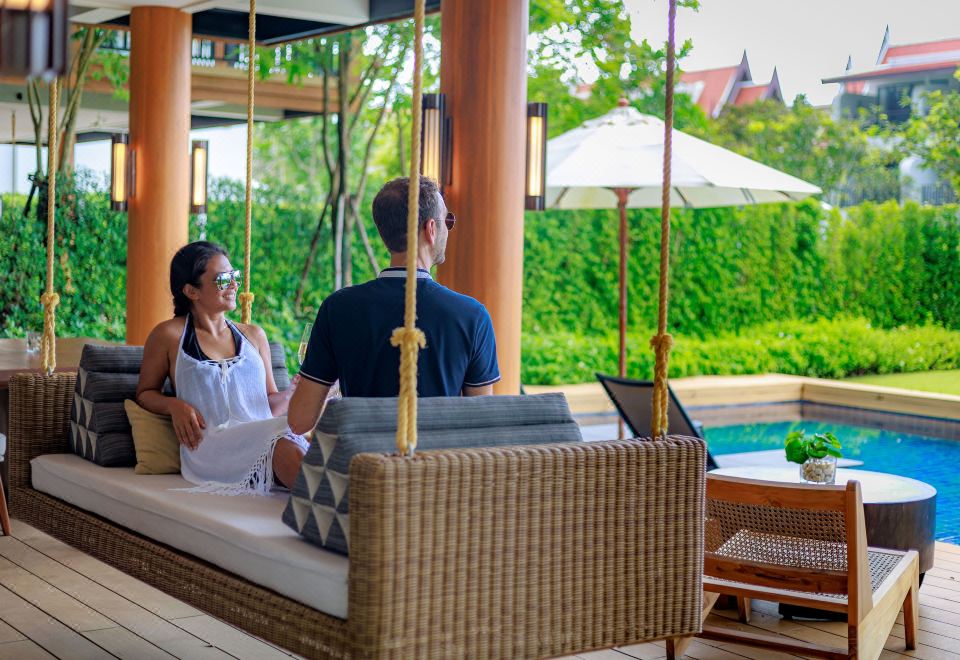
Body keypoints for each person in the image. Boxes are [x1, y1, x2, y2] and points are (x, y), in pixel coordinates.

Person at [288, 176, 500, 435]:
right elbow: (482, 425)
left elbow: (299, 420)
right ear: (431, 229)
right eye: (448, 221)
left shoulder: (337, 309)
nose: (448, 229)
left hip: (362, 458)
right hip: (440, 459)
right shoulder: (472, 316)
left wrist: (331, 387)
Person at [136, 241, 308, 494]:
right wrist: (174, 405)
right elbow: (145, 393)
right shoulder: (168, 335)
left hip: (263, 437)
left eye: (234, 276)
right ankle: (340, 505)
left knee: (302, 437)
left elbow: (268, 405)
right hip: (212, 447)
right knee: (284, 438)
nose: (234, 285)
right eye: (223, 280)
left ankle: (339, 503)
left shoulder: (254, 336)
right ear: (191, 291)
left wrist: (294, 393)